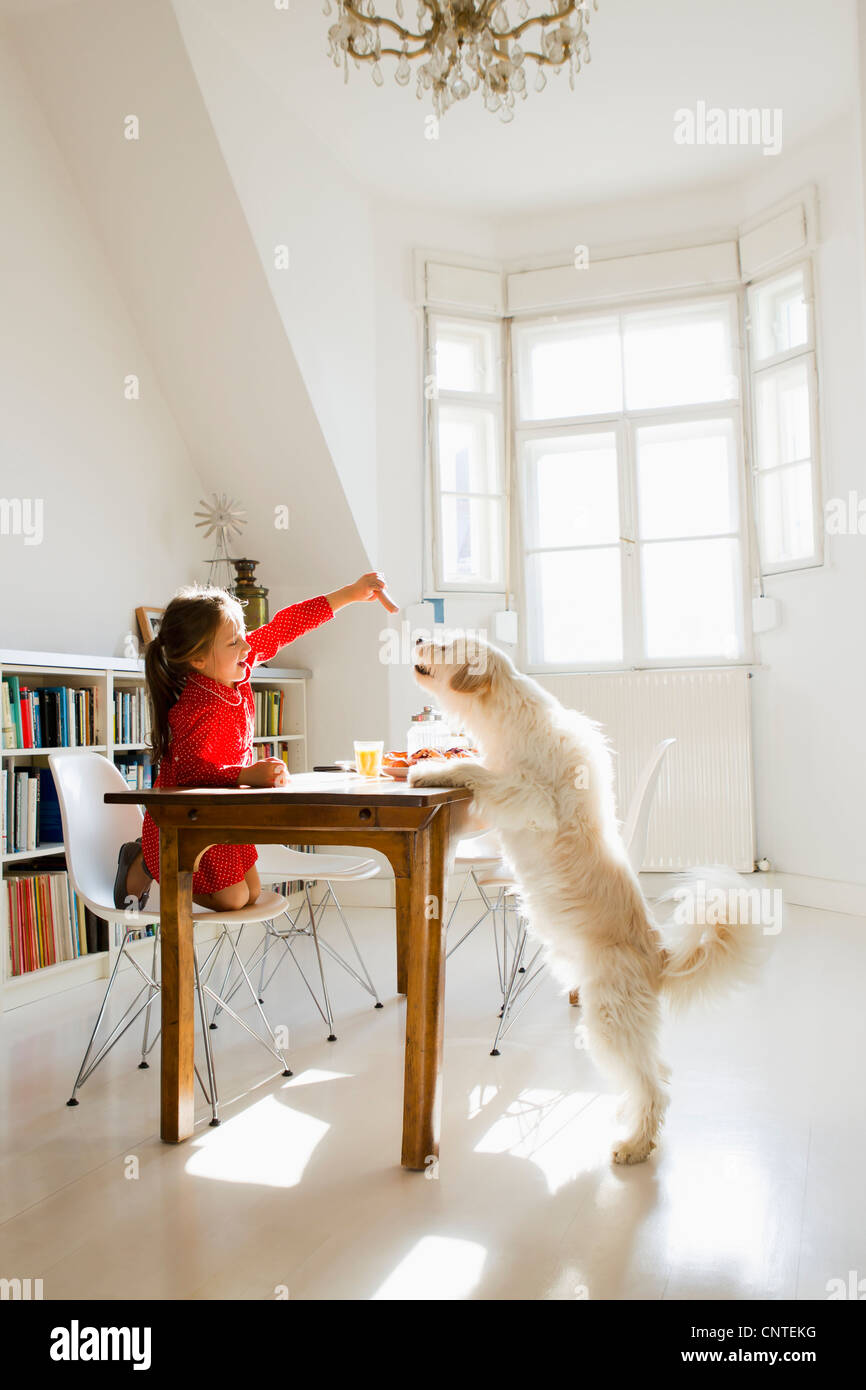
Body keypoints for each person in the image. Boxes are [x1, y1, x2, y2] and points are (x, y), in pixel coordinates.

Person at [114, 573, 392, 913]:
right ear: (198, 659)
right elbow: (189, 773)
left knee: (253, 892)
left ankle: (152, 861)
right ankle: (148, 859)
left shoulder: (238, 667)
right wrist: (244, 775)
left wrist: (350, 593)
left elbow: (285, 626)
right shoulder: (194, 708)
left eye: (243, 636)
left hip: (223, 814)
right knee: (233, 899)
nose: (247, 647)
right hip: (186, 821)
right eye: (234, 642)